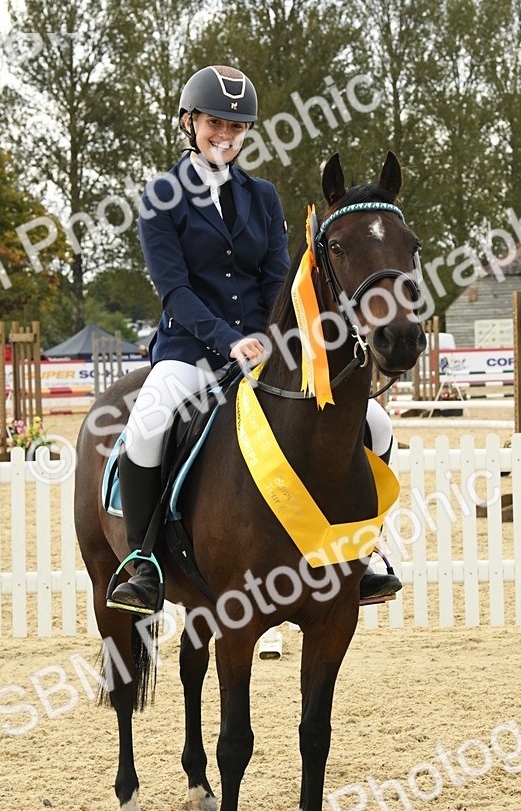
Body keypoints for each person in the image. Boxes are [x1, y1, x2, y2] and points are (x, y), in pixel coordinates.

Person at [107, 64, 398, 616]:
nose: (226, 135)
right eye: (216, 123)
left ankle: (364, 548)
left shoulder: (261, 196)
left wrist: (276, 338)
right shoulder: (160, 197)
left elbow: (275, 281)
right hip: (189, 352)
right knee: (147, 426)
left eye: (238, 127)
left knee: (377, 424)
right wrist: (228, 341)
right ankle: (143, 561)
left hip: (266, 350)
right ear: (189, 122)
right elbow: (175, 291)